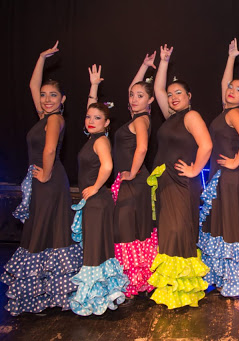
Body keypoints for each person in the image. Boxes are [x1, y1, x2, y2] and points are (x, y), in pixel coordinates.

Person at [1, 41, 81, 316]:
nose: (47, 99)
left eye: (53, 95)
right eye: (45, 95)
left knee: (43, 231)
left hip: (48, 180)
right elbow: (32, 86)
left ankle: (46, 294)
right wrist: (40, 58)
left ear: (63, 100)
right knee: (43, 230)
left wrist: (45, 174)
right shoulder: (44, 115)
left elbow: (49, 149)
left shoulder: (54, 119)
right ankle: (41, 295)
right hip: (40, 179)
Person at [147, 44, 212, 309]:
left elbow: (206, 145)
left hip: (182, 183)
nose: (173, 97)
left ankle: (183, 291)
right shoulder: (169, 116)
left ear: (189, 96)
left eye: (179, 94)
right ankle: (170, 289)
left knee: (178, 231)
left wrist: (196, 169)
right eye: (172, 94)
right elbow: (158, 90)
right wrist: (164, 62)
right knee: (167, 231)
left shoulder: (191, 115)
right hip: (165, 183)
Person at [197, 38, 239, 297]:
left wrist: (235, 161)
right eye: (231, 87)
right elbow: (224, 83)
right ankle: (223, 279)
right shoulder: (226, 110)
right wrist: (230, 57)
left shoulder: (234, 114)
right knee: (222, 226)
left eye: (238, 89)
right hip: (224, 177)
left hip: (232, 177)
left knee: (231, 228)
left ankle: (235, 282)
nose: (231, 90)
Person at [101, 53, 157, 299]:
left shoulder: (142, 120)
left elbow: (142, 148)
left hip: (133, 183)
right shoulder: (137, 116)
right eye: (132, 95)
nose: (134, 99)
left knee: (127, 232)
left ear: (150, 100)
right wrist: (143, 66)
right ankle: (135, 281)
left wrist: (132, 172)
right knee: (132, 230)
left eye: (140, 96)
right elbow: (130, 89)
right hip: (132, 184)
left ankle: (133, 282)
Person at [69, 95, 128, 316]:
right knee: (98, 250)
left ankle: (92, 300)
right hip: (95, 203)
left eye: (97, 118)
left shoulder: (101, 140)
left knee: (94, 252)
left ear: (107, 123)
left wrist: (94, 187)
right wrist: (93, 87)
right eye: (88, 116)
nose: (91, 120)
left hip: (97, 201)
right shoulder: (93, 138)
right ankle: (101, 296)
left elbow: (108, 165)